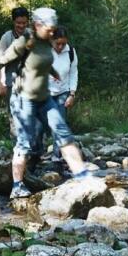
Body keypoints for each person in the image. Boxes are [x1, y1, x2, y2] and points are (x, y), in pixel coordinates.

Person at [0, 7, 91, 199]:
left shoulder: (47, 40)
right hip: (23, 99)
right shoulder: (24, 41)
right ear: (38, 24)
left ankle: (83, 178)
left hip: (44, 98)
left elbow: (42, 61)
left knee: (63, 133)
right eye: (49, 28)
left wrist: (54, 73)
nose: (52, 32)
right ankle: (17, 186)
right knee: (25, 142)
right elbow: (1, 60)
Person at [48, 26, 78, 175]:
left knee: (59, 126)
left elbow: (73, 73)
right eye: (57, 43)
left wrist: (72, 94)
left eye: (63, 44)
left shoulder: (71, 52)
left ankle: (57, 160)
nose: (60, 47)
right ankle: (32, 160)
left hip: (63, 93)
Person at [0, 7, 30, 138]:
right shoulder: (6, 38)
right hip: (11, 82)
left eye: (24, 22)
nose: (21, 26)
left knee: (30, 114)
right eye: (18, 23)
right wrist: (2, 83)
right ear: (13, 22)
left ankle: (33, 145)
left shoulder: (32, 35)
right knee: (14, 116)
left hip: (29, 83)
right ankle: (16, 144)